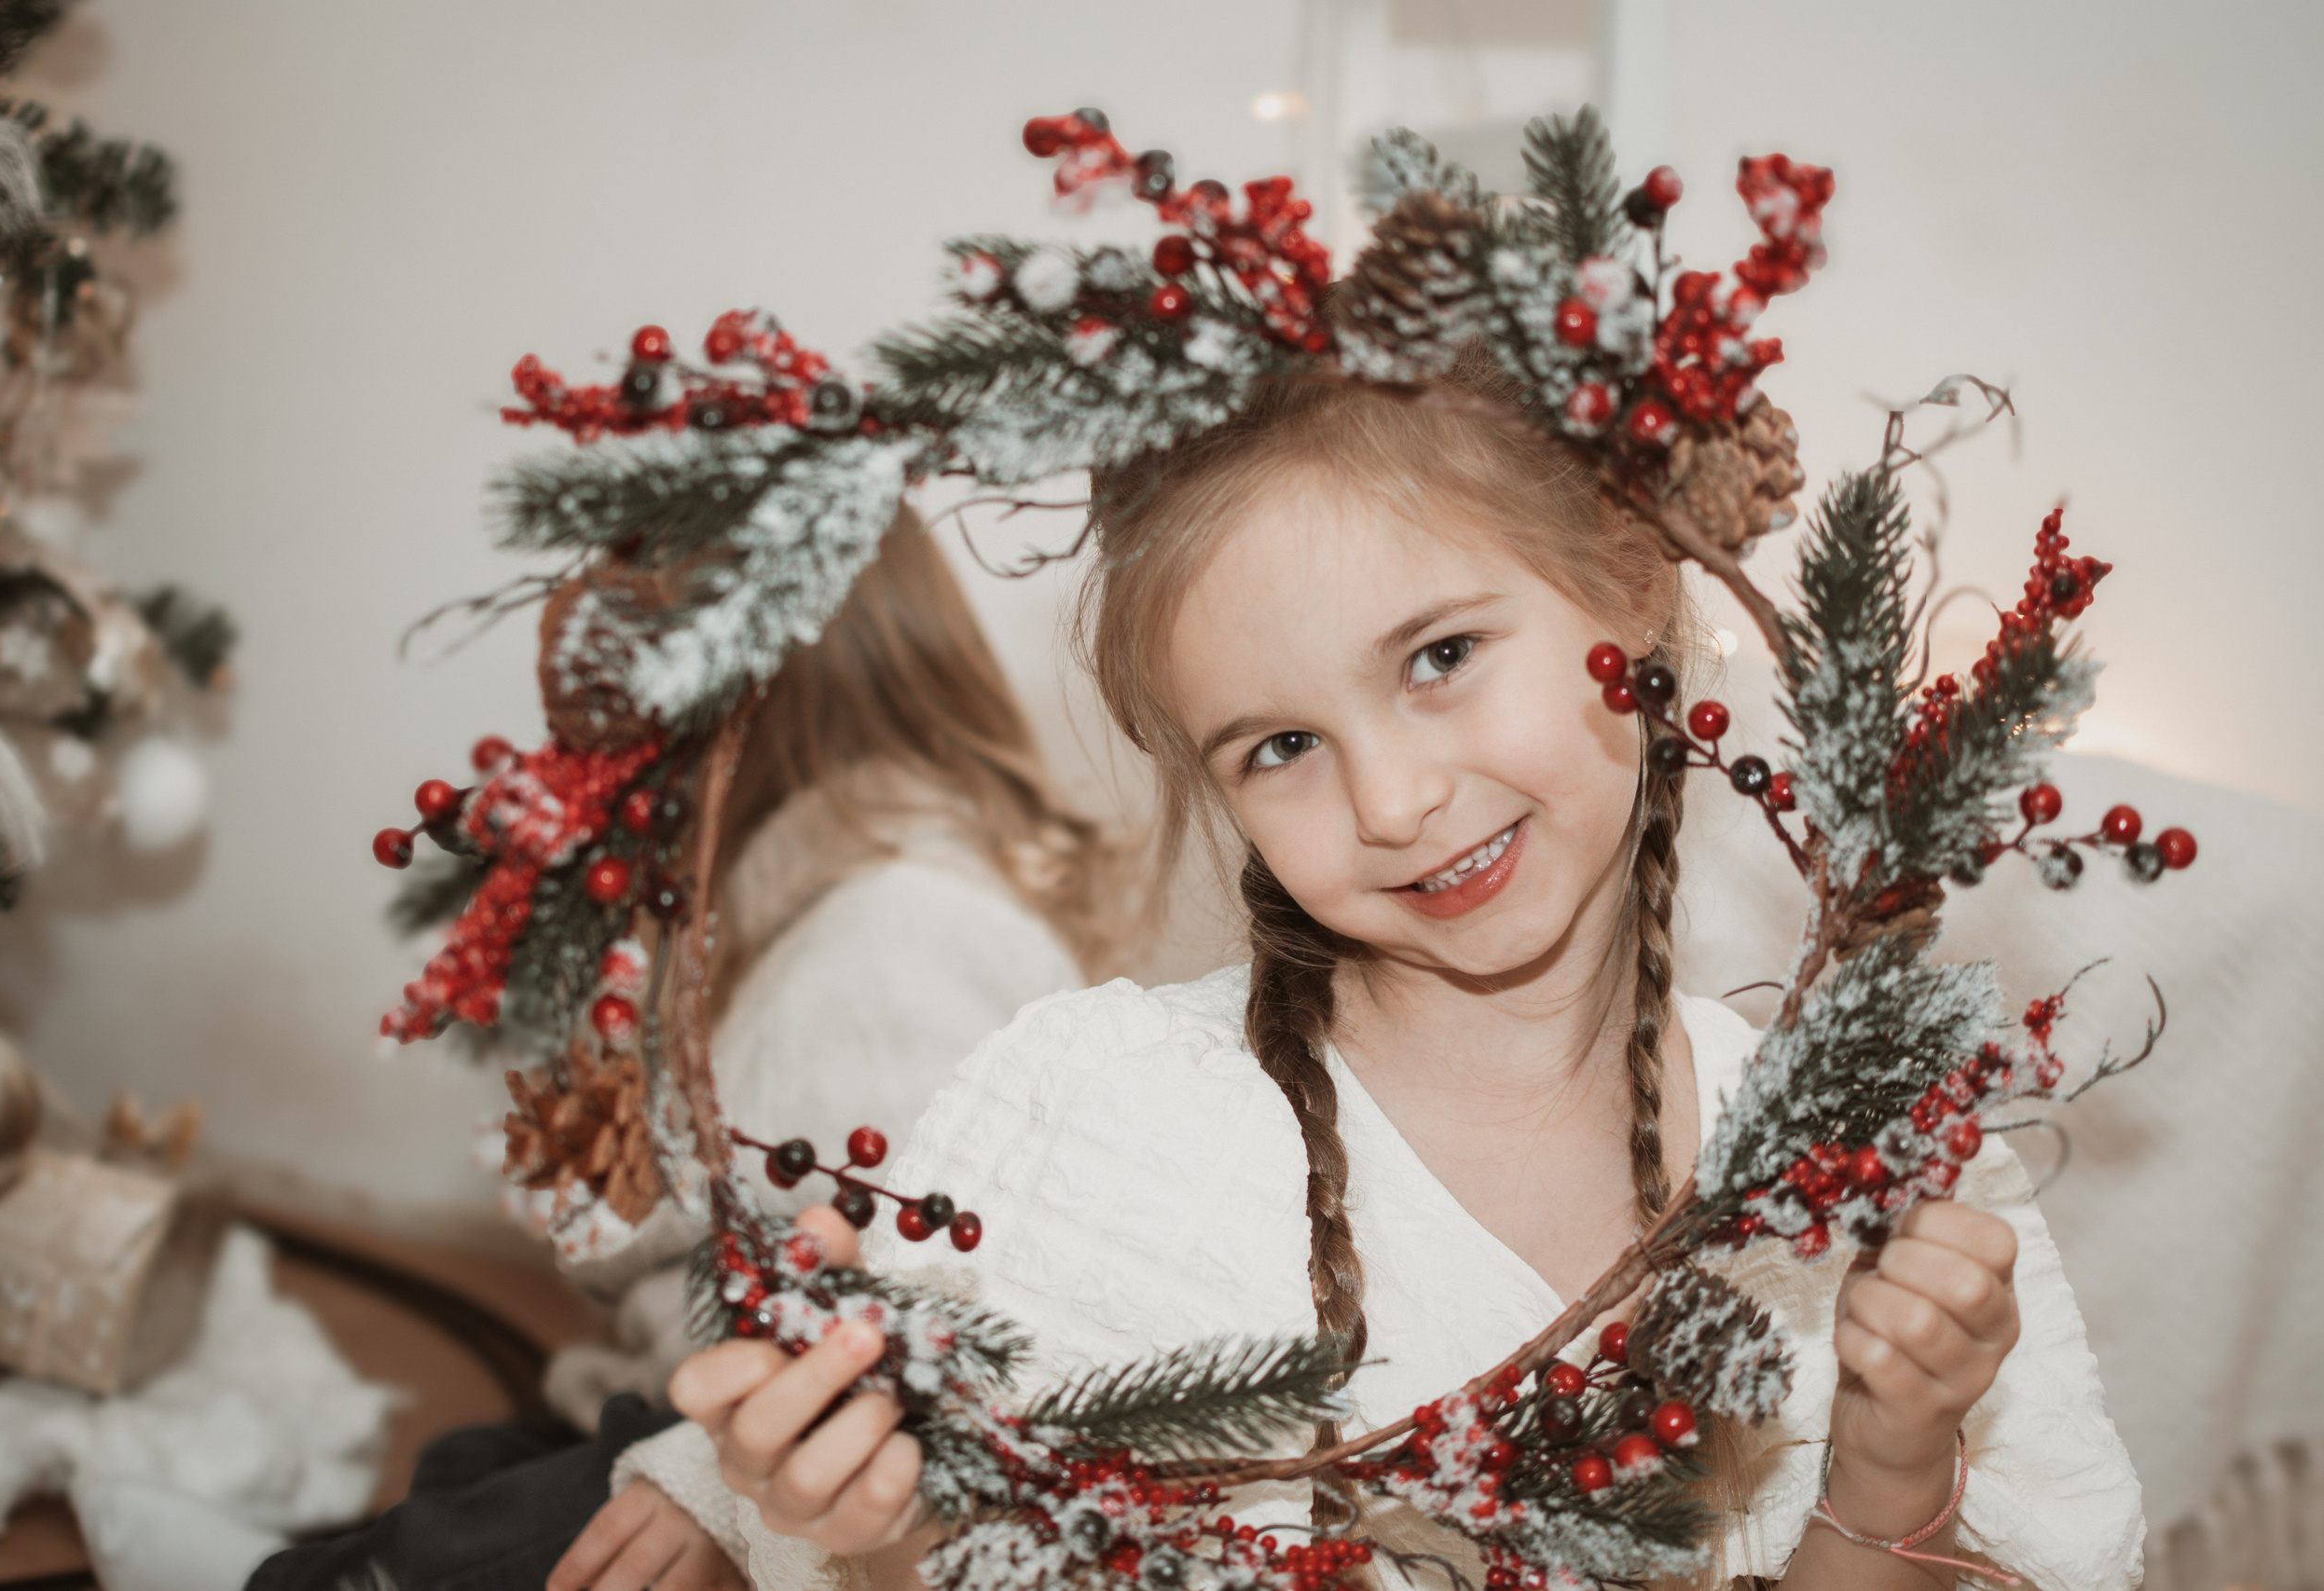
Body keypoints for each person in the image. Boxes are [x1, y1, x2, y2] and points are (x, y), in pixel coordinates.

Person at [665, 360, 2144, 1590]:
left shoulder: (1866, 1168)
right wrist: (892, 1532)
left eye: (1439, 656)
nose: (1388, 800)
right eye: (1282, 746)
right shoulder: (1097, 1122)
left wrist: (1898, 1448)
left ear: (1630, 586)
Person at [246, 505, 1122, 1591]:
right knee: (467, 1471)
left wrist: (718, 1489)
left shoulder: (897, 938)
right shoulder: (791, 896)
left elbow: (930, 1326)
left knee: (404, 1562)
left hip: (746, 1452)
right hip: (672, 1393)